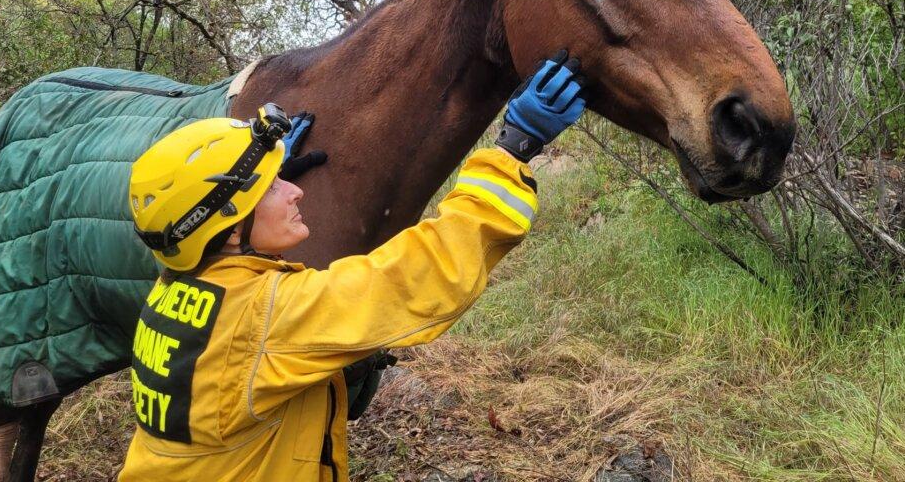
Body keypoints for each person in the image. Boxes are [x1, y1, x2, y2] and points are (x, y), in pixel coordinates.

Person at [118, 52, 586, 482]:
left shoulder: (173, 291)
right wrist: (513, 150)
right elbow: (421, 273)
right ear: (230, 226)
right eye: (272, 188)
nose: (295, 191)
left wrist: (265, 180)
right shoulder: (270, 320)